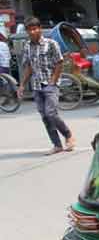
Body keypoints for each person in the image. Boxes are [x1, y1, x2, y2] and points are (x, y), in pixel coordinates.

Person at [16, 17, 75, 155]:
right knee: (44, 117)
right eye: (30, 29)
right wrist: (22, 85)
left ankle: (68, 135)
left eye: (35, 28)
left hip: (50, 84)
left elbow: (59, 63)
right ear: (27, 31)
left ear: (40, 29)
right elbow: (29, 67)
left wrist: (53, 81)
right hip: (36, 85)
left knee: (51, 113)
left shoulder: (51, 44)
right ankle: (57, 145)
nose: (32, 31)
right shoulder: (27, 46)